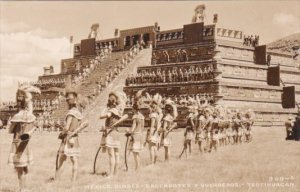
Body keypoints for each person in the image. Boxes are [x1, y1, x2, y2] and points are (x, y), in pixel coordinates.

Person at [8, 84, 41, 192]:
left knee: (19, 170)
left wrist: (12, 125)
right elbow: (33, 127)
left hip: (17, 143)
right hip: (26, 144)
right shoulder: (30, 116)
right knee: (24, 167)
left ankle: (22, 189)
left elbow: (10, 130)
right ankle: (24, 188)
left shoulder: (17, 116)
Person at [54, 86, 87, 183]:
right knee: (74, 160)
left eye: (68, 99)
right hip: (75, 139)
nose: (67, 101)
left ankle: (57, 179)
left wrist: (61, 130)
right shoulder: (78, 113)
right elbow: (79, 127)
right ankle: (73, 181)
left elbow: (67, 128)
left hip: (68, 139)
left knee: (61, 159)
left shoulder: (71, 113)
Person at [99, 91, 127, 177]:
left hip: (110, 133)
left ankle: (111, 174)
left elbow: (101, 116)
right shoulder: (119, 111)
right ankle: (115, 173)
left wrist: (105, 108)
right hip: (116, 133)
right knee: (117, 154)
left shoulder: (111, 111)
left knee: (111, 155)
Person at [126, 100, 144, 171]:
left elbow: (134, 126)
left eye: (132, 109)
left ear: (134, 109)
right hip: (140, 135)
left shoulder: (135, 116)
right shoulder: (142, 116)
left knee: (134, 153)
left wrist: (129, 132)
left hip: (135, 135)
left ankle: (137, 168)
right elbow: (142, 127)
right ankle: (138, 167)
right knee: (137, 152)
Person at [146, 94, 163, 165]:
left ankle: (152, 163)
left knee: (151, 148)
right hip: (156, 133)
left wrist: (149, 135)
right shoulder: (157, 114)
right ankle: (154, 162)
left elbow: (152, 126)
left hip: (153, 132)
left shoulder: (153, 115)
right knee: (155, 148)